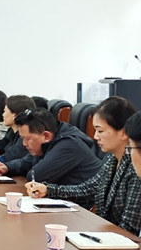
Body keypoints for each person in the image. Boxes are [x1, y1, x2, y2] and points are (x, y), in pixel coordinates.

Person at [25, 97, 141, 236]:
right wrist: (48, 190)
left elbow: (129, 229)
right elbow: (88, 189)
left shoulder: (136, 167)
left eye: (100, 131)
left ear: (123, 132)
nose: (95, 136)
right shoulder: (112, 158)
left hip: (119, 243)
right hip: (105, 235)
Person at [0, 107, 101, 185]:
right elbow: (27, 161)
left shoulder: (69, 144)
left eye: (27, 139)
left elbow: (35, 176)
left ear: (46, 136)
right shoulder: (53, 138)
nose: (24, 144)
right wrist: (7, 167)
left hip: (85, 208)